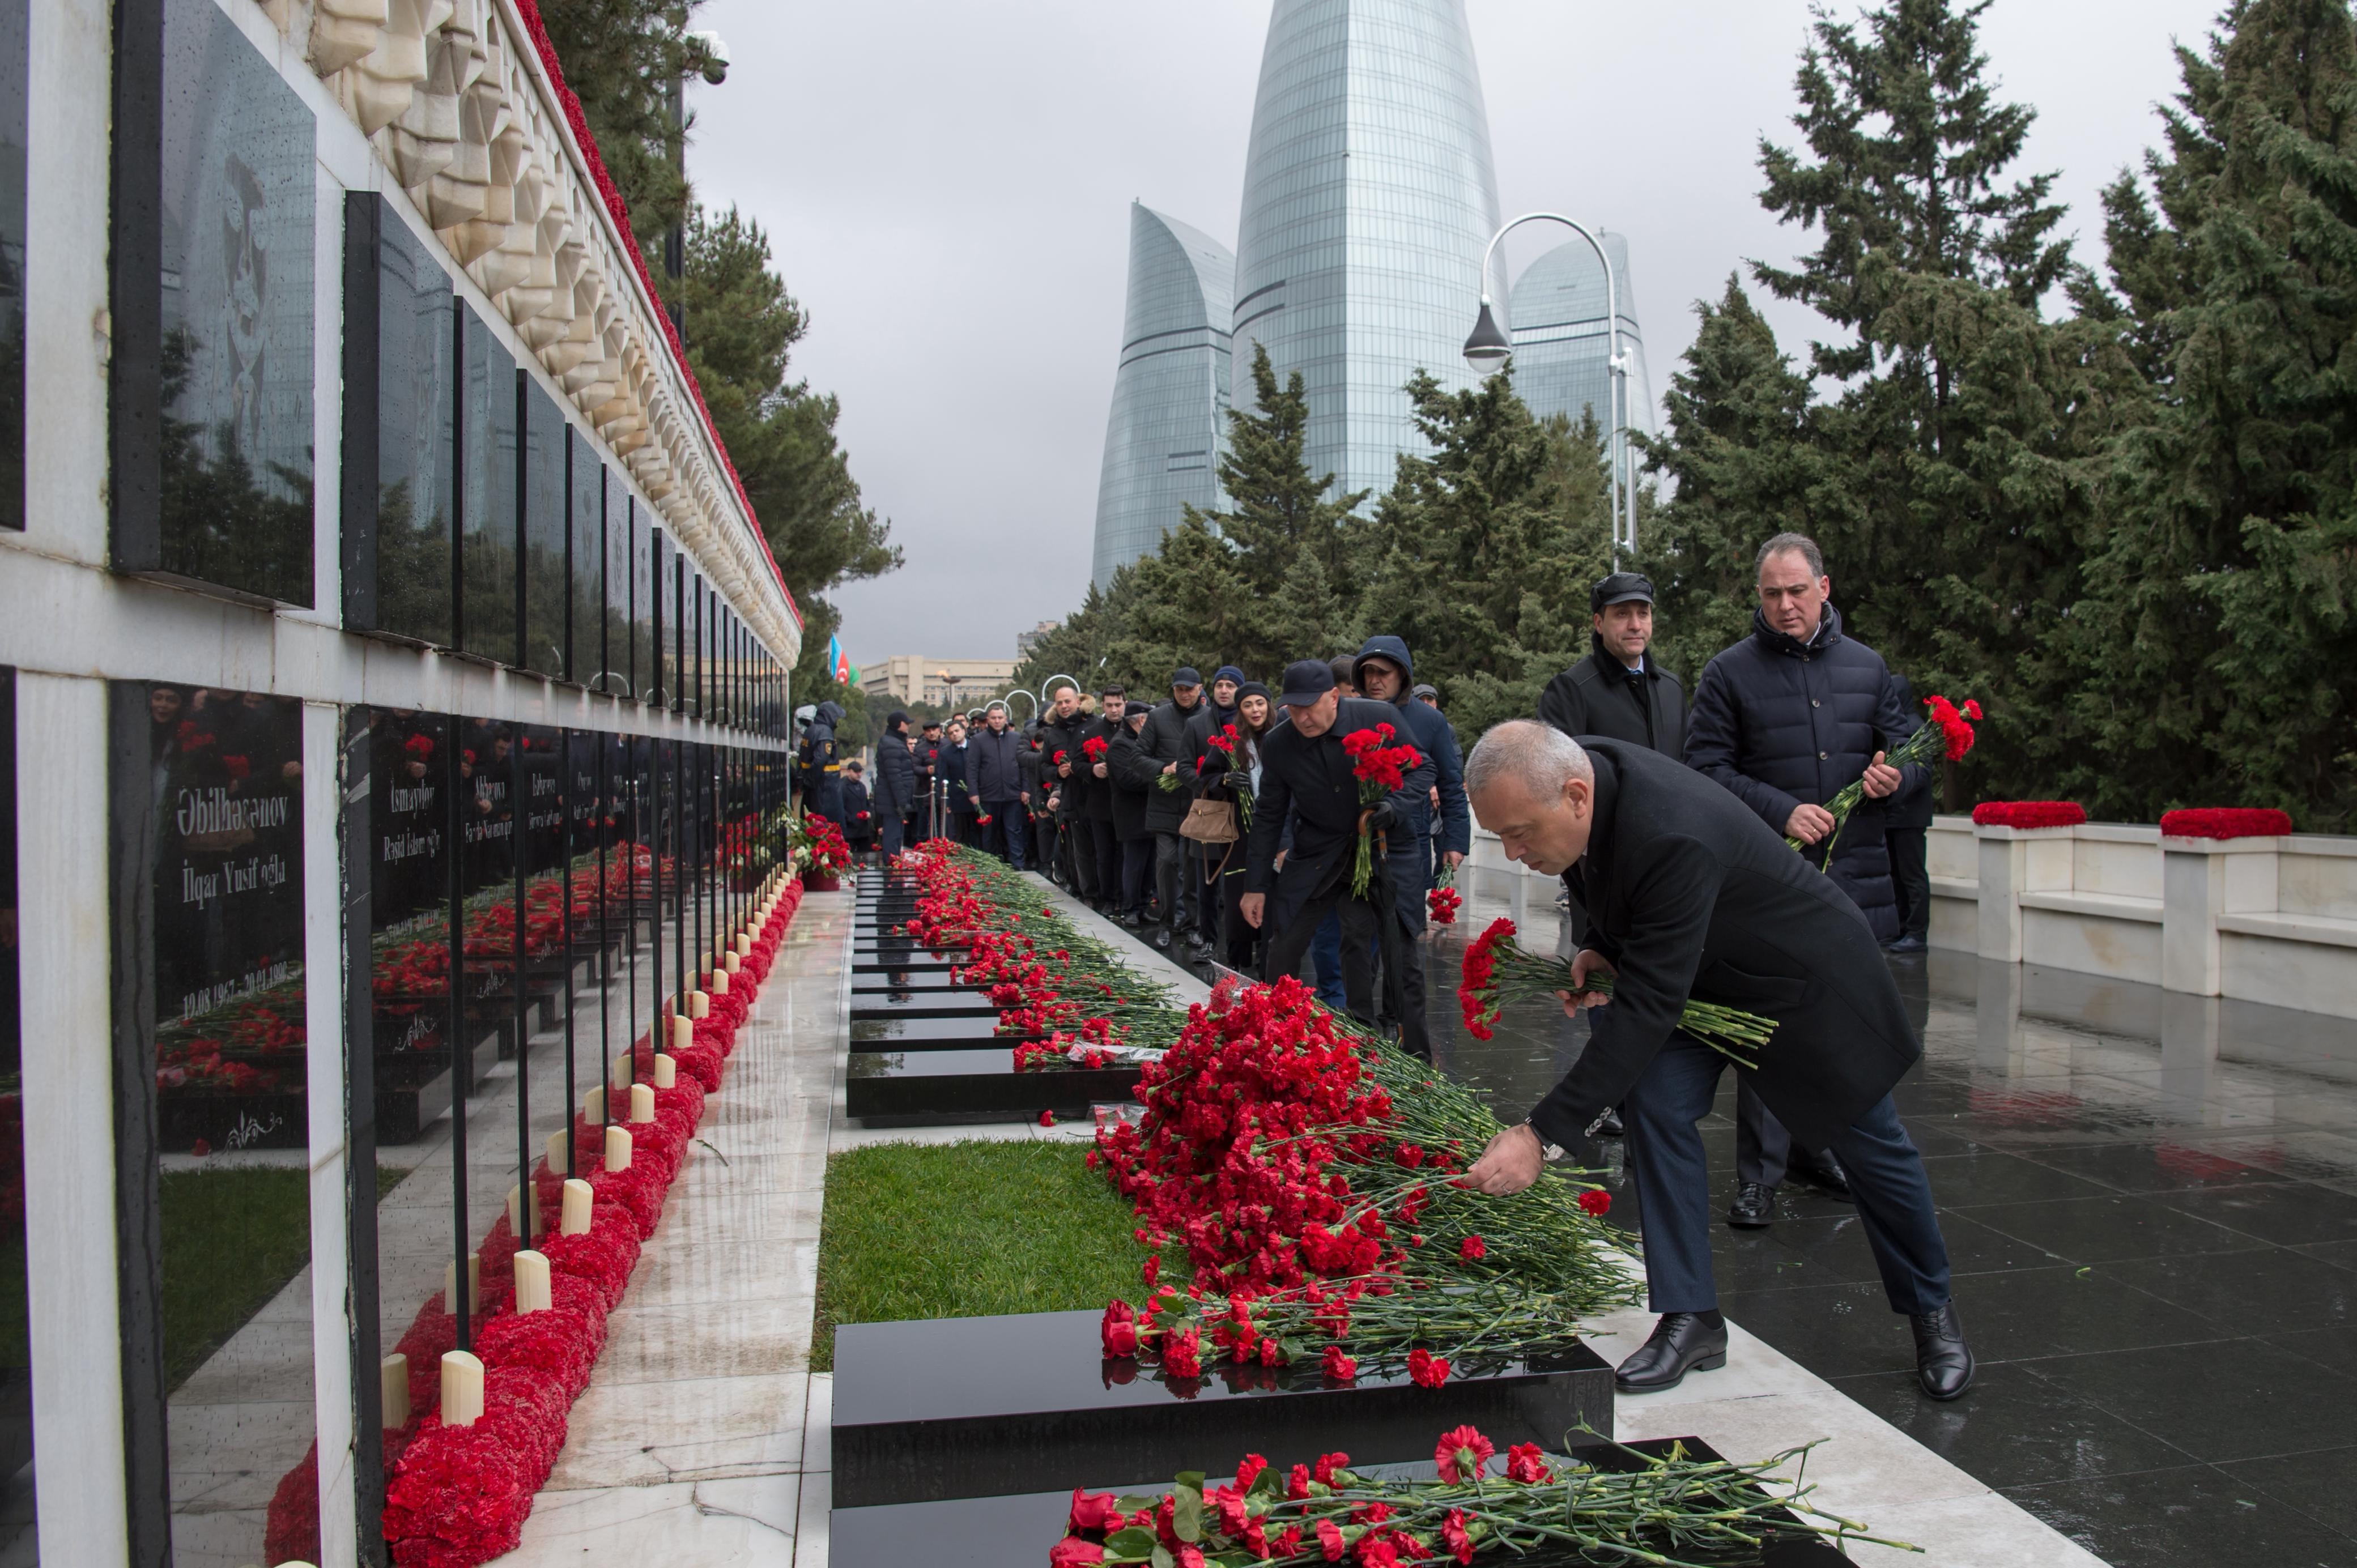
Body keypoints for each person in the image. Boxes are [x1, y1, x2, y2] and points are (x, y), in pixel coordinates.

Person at [1456, 721, 1972, 1404]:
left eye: (1521, 833)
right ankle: (1690, 1315)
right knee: (1657, 1106)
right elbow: (1598, 875)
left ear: (1575, 796)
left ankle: (1931, 1312)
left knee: (1870, 1146)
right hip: (1701, 976)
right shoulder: (1581, 775)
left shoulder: (1670, 828)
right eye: (1501, 837)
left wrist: (1538, 1134)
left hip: (1800, 985)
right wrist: (1599, 944)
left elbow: (1644, 1009)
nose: (1516, 854)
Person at [1686, 532, 1920, 1228]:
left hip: (1854, 879)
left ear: (1824, 587)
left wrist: (1896, 776)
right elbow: (1704, 771)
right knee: (1766, 1028)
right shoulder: (1728, 672)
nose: (1784, 605)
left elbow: (1912, 758)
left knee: (1844, 1025)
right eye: (1770, 593)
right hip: (1771, 880)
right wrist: (1780, 809)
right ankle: (1759, 1174)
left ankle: (1821, 1150)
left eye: (1795, 590)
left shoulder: (1868, 668)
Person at [1241, 661, 1436, 1043]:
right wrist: (1256, 886)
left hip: (1385, 848)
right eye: (1294, 709)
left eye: (1311, 707)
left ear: (1334, 696)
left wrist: (1392, 806)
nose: (1303, 717)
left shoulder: (1378, 717)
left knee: (1400, 948)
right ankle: (1277, 1038)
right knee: (1285, 941)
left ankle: (1416, 1053)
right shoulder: (1280, 744)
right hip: (1319, 851)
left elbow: (1422, 769)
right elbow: (1268, 816)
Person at [1354, 636, 1469, 1056]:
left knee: (1404, 944)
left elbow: (1451, 785)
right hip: (1358, 844)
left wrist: (1454, 841)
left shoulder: (1430, 722)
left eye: (1383, 672)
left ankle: (1413, 1047)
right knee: (1360, 946)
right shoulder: (1352, 713)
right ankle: (1363, 1037)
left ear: (1403, 674)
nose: (1374, 680)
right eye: (1367, 672)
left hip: (1408, 844)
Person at [1537, 572, 1687, 757]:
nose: (1635, 625)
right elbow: (1556, 771)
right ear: (1599, 623)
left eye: (1643, 613)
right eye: (1622, 614)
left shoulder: (1671, 688)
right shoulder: (1570, 691)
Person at [1195, 679, 1275, 971]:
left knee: (1273, 900)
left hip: (1277, 834)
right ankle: (1238, 965)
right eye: (1248, 705)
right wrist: (1225, 781)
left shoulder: (1281, 738)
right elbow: (1206, 778)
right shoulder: (1232, 743)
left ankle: (1269, 966)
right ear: (1240, 711)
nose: (1256, 710)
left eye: (1260, 703)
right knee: (1238, 899)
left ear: (1269, 705)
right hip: (1239, 837)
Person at [1180, 666, 1245, 957]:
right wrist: (1214, 783)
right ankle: (1208, 938)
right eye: (1220, 684)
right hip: (1211, 812)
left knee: (1241, 879)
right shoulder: (1197, 724)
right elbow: (1183, 768)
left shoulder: (1251, 721)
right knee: (1208, 881)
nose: (1223, 690)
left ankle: (1243, 943)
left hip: (1245, 813)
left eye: (1231, 685)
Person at [1142, 667, 1206, 951]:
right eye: (1180, 688)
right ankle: (1167, 924)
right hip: (1165, 806)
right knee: (1167, 863)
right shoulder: (1157, 718)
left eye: (1190, 689)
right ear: (1173, 690)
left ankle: (1193, 926)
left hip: (1197, 806)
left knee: (1192, 869)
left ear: (1199, 689)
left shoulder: (1208, 717)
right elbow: (1137, 758)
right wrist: (1163, 769)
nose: (1184, 693)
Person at [1883, 672, 1934, 955]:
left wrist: (1898, 786)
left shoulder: (1916, 728)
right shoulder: (1896, 727)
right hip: (1893, 817)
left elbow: (1922, 773)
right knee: (1895, 875)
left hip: (1910, 818)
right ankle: (1902, 929)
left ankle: (1917, 933)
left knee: (1912, 875)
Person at [1107, 700, 1158, 923]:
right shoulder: (1120, 745)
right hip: (1132, 815)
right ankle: (1130, 909)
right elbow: (1127, 779)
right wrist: (1159, 775)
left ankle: (1143, 906)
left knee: (1149, 865)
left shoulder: (1143, 742)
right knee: (1135, 864)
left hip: (1149, 812)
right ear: (1141, 720)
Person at [966, 702, 1029, 867]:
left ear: (1006, 719)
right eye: (993, 718)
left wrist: (1026, 789)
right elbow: (972, 767)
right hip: (988, 795)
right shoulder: (978, 740)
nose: (997, 721)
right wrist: (973, 792)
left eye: (1000, 718)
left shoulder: (1016, 738)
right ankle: (991, 866)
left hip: (1013, 794)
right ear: (988, 720)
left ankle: (1018, 865)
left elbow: (1024, 765)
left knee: (1014, 831)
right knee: (989, 833)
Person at [1080, 683, 1125, 913]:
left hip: (1129, 804)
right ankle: (1107, 898)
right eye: (1109, 705)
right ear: (1103, 706)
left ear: (1125, 704)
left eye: (1118, 705)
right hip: (1101, 804)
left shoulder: (1134, 729)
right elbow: (1076, 764)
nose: (1114, 710)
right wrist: (1092, 770)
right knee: (1104, 855)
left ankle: (1125, 898)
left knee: (1125, 855)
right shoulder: (1092, 731)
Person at [871, 710, 917, 859]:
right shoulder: (892, 744)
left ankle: (894, 863)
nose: (909, 725)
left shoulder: (894, 741)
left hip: (893, 798)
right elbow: (895, 776)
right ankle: (891, 868)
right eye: (906, 723)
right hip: (892, 800)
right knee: (892, 835)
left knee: (897, 835)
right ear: (898, 725)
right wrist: (901, 801)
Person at [941, 717, 977, 844]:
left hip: (978, 797)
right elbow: (943, 777)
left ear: (964, 730)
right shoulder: (945, 753)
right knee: (960, 834)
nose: (955, 734)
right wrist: (947, 802)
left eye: (957, 731)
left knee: (978, 832)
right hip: (958, 799)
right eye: (951, 733)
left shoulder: (975, 746)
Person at [911, 719, 944, 842]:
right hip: (925, 792)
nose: (932, 733)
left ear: (939, 731)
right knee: (924, 824)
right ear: (925, 733)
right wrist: (926, 771)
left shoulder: (946, 744)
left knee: (942, 824)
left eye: (934, 730)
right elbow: (914, 767)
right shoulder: (920, 748)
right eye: (928, 731)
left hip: (943, 792)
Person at [841, 761, 874, 862]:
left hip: (863, 829)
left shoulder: (862, 787)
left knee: (864, 858)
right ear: (849, 772)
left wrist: (869, 813)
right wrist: (850, 818)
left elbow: (867, 803)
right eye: (856, 772)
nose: (859, 774)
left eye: (860, 772)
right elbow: (840, 807)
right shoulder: (842, 786)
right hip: (850, 829)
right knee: (849, 858)